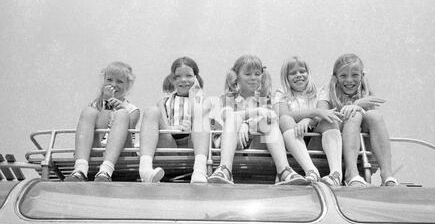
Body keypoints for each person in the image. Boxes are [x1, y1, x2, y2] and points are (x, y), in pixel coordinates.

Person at [207, 55, 308, 185]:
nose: (253, 78)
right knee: (234, 118)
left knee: (268, 120)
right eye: (248, 74)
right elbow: (228, 116)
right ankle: (225, 169)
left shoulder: (264, 98)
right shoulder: (228, 98)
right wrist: (254, 114)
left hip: (256, 144)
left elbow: (270, 117)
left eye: (257, 74)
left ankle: (284, 170)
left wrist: (246, 124)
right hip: (232, 142)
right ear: (236, 76)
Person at [318, 53, 398, 187]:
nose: (349, 80)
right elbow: (323, 117)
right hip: (332, 145)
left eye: (355, 75)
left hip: (360, 147)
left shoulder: (365, 94)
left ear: (362, 76)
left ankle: (387, 175)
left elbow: (370, 122)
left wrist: (357, 105)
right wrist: (356, 105)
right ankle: (351, 173)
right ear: (335, 77)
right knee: (354, 115)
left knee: (374, 115)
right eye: (343, 76)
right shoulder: (326, 92)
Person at [139, 57, 210, 184]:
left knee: (200, 112)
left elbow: (205, 124)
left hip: (192, 145)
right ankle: (145, 169)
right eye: (178, 76)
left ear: (196, 78)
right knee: (151, 111)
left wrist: (194, 95)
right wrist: (171, 128)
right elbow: (163, 125)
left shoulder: (204, 101)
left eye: (189, 75)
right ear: (172, 79)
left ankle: (199, 169)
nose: (183, 80)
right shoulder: (164, 102)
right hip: (170, 143)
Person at [65, 62, 140, 182]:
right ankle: (80, 169)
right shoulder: (96, 105)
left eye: (119, 81)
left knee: (122, 114)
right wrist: (107, 104)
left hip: (121, 151)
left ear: (128, 85)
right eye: (109, 80)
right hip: (98, 148)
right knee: (89, 112)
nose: (113, 84)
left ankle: (106, 170)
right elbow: (101, 130)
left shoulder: (132, 110)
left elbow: (126, 133)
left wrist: (121, 109)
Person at [274, 56, 344, 186]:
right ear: (286, 77)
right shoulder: (281, 93)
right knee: (285, 119)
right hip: (291, 139)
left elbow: (324, 112)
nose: (298, 75)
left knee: (329, 120)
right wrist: (314, 112)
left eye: (302, 71)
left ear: (308, 73)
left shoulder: (320, 91)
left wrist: (307, 120)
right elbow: (284, 114)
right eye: (293, 73)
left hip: (316, 139)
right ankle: (311, 171)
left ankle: (336, 173)